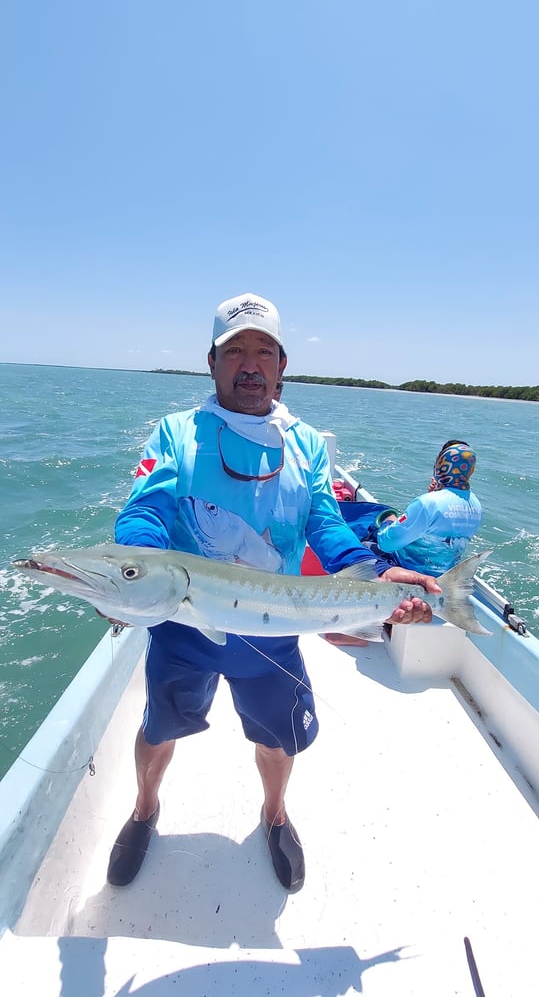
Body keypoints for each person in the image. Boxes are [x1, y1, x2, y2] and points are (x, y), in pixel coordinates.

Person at [106, 292, 442, 894]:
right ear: (211, 363)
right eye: (235, 351)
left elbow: (327, 522)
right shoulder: (176, 433)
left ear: (283, 365)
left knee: (276, 735)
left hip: (273, 631)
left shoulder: (307, 444)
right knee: (159, 727)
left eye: (264, 350)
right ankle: (144, 809)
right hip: (184, 630)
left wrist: (372, 572)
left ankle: (275, 814)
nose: (251, 363)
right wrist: (137, 564)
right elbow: (144, 511)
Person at [366, 440, 482, 577]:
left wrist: (388, 521)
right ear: (470, 470)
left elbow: (387, 544)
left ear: (440, 465)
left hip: (408, 570)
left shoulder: (428, 503)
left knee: (362, 548)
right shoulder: (476, 505)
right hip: (443, 575)